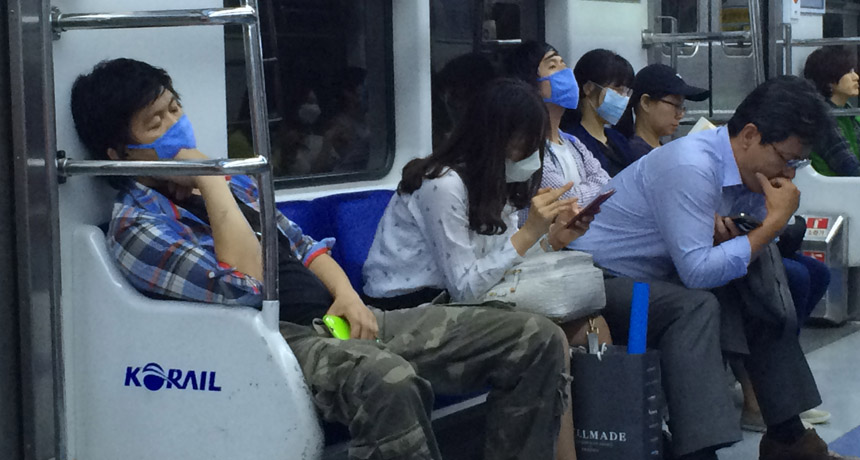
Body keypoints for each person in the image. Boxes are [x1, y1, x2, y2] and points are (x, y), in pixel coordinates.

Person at [71, 58, 571, 460]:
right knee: (385, 381)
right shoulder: (139, 226)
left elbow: (304, 248)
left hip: (333, 315)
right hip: (270, 342)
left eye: (175, 110)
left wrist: (348, 295)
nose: (175, 127)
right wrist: (209, 179)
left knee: (533, 338)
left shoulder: (238, 184)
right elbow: (250, 283)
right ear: (120, 153)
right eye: (155, 122)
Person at [571, 76, 855, 460]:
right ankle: (700, 452)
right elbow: (697, 273)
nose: (788, 174)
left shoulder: (749, 175)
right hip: (604, 278)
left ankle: (788, 437)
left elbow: (733, 251)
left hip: (660, 273)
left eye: (797, 163)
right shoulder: (691, 165)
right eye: (786, 159)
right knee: (696, 305)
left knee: (761, 281)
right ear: (751, 135)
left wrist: (752, 229)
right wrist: (772, 224)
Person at [363, 78, 611, 460]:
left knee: (589, 326)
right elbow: (465, 286)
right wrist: (530, 234)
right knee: (547, 339)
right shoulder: (442, 186)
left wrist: (553, 239)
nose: (530, 154)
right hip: (410, 312)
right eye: (522, 143)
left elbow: (498, 262)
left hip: (458, 305)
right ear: (494, 138)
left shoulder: (493, 184)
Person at [504, 41, 611, 208]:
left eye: (564, 64)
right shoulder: (527, 148)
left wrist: (586, 193)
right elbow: (569, 202)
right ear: (530, 83)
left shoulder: (572, 142)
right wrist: (591, 191)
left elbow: (608, 185)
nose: (566, 72)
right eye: (553, 66)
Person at [559, 49, 636, 176]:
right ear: (589, 88)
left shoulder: (618, 139)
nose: (623, 98)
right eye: (617, 90)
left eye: (626, 92)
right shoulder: (572, 141)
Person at [615, 63, 710, 161]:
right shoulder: (638, 157)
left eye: (681, 107)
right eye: (675, 105)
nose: (680, 114)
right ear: (646, 103)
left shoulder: (660, 150)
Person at [803, 46, 860, 176]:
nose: (856, 76)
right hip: (833, 190)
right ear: (829, 80)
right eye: (848, 72)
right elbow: (848, 166)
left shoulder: (846, 111)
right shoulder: (822, 117)